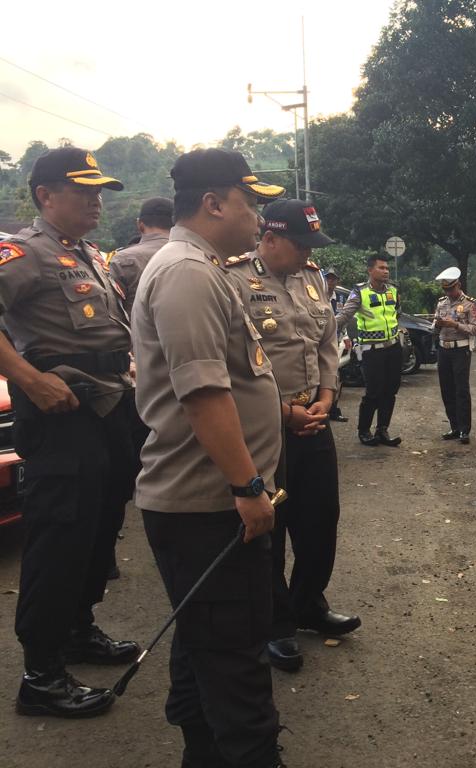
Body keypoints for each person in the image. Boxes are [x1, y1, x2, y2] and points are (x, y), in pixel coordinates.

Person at [132, 148, 288, 767]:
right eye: (251, 203)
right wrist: (248, 486)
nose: (258, 219)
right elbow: (204, 394)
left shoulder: (206, 266)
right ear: (213, 203)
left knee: (204, 650)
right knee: (235, 662)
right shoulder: (187, 273)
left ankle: (203, 754)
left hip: (210, 501)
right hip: (209, 506)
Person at [0, 146, 140, 719]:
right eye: (83, 191)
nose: (96, 201)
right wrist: (30, 381)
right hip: (59, 411)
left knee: (99, 525)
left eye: (99, 191)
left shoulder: (90, 254)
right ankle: (41, 674)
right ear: (44, 195)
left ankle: (78, 628)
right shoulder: (24, 253)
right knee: (59, 534)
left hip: (108, 407)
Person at [225, 199, 361, 673]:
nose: (308, 255)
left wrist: (326, 395)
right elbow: (235, 364)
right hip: (266, 426)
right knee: (272, 527)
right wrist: (284, 413)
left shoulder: (311, 276)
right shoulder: (234, 279)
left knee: (321, 518)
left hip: (314, 415)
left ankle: (309, 604)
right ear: (271, 239)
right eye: (301, 246)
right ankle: (275, 625)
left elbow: (325, 342)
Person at [336, 255, 403, 446]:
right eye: (381, 268)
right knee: (373, 392)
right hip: (371, 351)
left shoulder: (393, 290)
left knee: (390, 391)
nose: (386, 271)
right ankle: (364, 430)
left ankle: (382, 429)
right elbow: (345, 315)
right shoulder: (360, 292)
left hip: (393, 348)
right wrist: (327, 330)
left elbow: (396, 313)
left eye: (387, 268)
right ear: (370, 270)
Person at [432, 266, 476, 443]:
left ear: (458, 285)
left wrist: (456, 325)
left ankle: (464, 430)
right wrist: (438, 324)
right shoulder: (441, 302)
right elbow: (435, 325)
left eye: (451, 288)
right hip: (443, 349)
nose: (449, 292)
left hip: (461, 349)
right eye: (445, 289)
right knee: (447, 389)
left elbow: (475, 329)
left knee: (461, 390)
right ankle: (454, 426)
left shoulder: (470, 303)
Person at [109, 196, 173, 313]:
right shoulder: (196, 253)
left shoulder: (122, 259)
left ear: (140, 225)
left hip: (135, 330)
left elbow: (112, 310)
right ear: (175, 225)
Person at [324, 269, 350, 423]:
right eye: (328, 279)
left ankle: (333, 409)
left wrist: (346, 337)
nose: (330, 282)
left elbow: (344, 320)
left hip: (336, 341)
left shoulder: (340, 298)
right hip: (320, 342)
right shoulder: (315, 294)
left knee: (336, 376)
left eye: (333, 279)